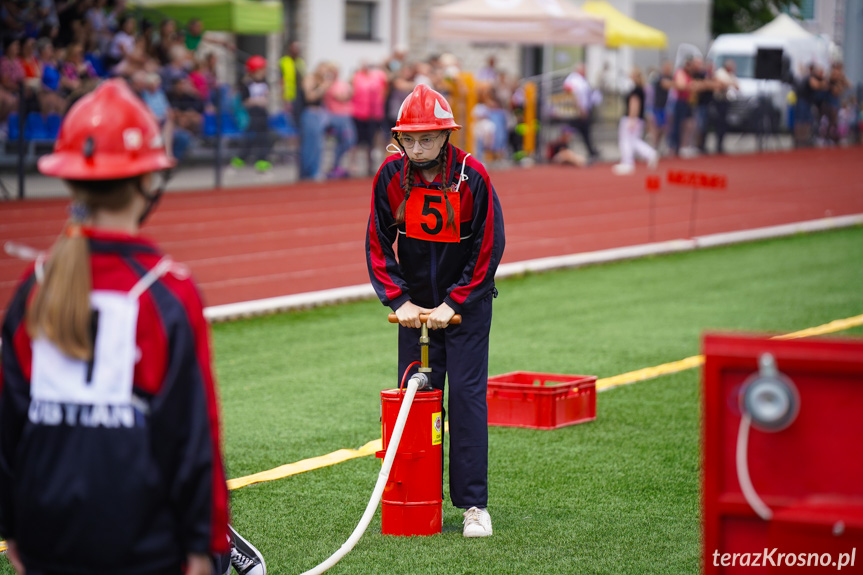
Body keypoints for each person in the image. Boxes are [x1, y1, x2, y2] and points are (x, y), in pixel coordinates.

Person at [0, 79, 266, 575]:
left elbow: (9, 422)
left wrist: (12, 526)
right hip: (143, 540)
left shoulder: (33, 286)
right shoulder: (167, 292)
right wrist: (204, 544)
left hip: (45, 535)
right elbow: (192, 435)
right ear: (148, 183)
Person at [365, 84, 505, 538]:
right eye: (410, 138)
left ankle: (472, 506)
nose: (418, 147)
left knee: (465, 401)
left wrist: (455, 302)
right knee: (415, 399)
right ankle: (413, 497)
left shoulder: (473, 176)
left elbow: (488, 248)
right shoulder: (389, 175)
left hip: (465, 308)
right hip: (413, 310)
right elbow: (377, 243)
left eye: (428, 138)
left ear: (447, 135)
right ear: (398, 138)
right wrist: (399, 299)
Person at [231, 55, 275, 175]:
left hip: (262, 114)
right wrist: (256, 101)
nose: (264, 72)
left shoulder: (265, 83)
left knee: (264, 138)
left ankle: (262, 161)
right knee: (249, 138)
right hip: (251, 115)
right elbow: (244, 101)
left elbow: (266, 98)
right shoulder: (246, 84)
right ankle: (240, 159)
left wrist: (261, 100)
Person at [612, 68, 658, 175]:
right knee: (634, 141)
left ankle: (627, 162)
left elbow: (634, 105)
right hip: (638, 119)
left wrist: (632, 119)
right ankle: (650, 153)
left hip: (631, 118)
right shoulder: (641, 89)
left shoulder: (635, 90)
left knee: (625, 141)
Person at [562, 63, 599, 162]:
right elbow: (572, 95)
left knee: (584, 132)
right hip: (576, 112)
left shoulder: (581, 80)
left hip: (583, 110)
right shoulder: (573, 80)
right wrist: (580, 109)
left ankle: (590, 152)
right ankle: (564, 151)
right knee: (570, 131)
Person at [712, 59, 739, 155]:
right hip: (719, 100)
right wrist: (730, 84)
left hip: (726, 100)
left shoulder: (730, 75)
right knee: (719, 123)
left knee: (724, 123)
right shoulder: (720, 73)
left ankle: (721, 144)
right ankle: (718, 145)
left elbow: (737, 86)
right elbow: (721, 84)